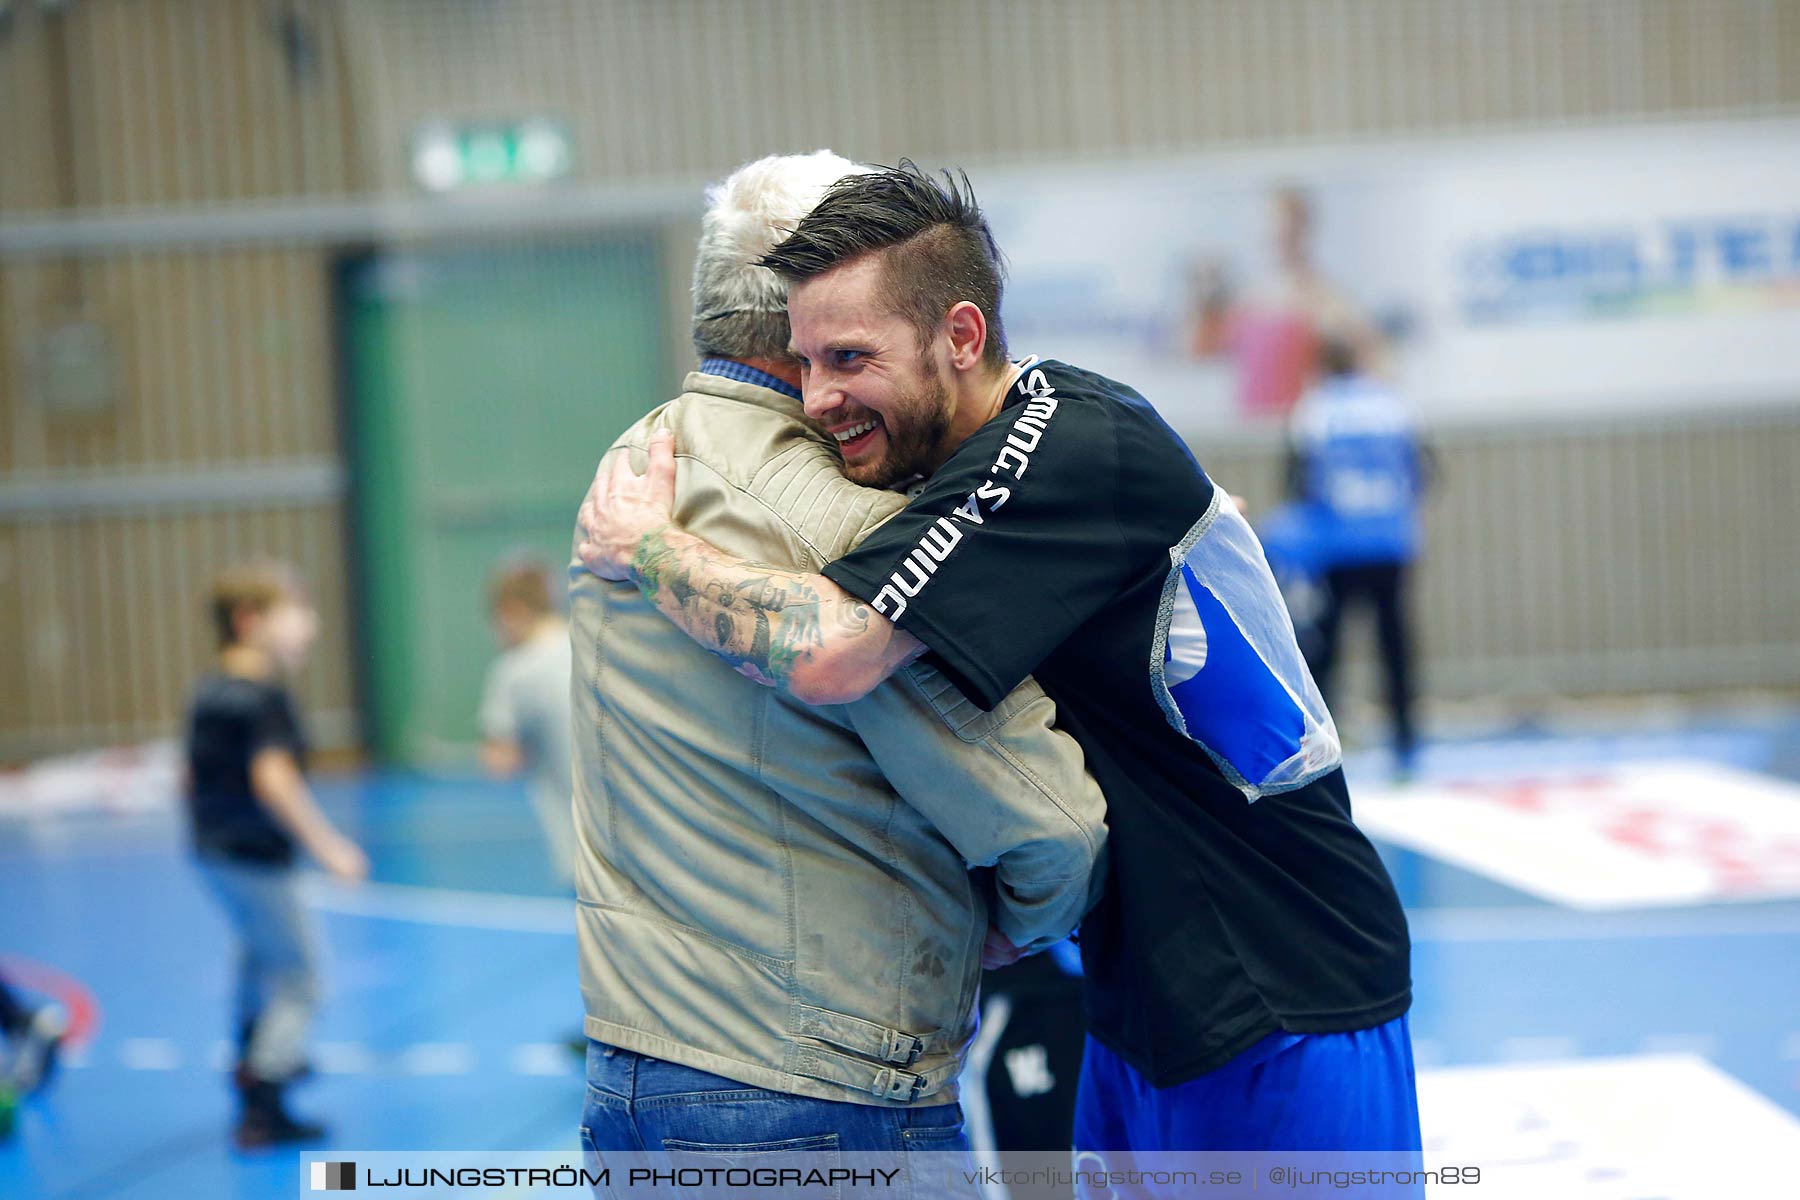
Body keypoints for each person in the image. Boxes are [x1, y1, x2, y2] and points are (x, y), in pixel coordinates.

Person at [577, 164, 1418, 1156]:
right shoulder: (995, 467)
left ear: (962, 338)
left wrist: (643, 545)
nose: (818, 399)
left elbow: (831, 652)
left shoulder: (1055, 446)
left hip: (1282, 986)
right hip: (1147, 995)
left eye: (849, 357)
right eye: (802, 364)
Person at [566, 151, 1106, 1156]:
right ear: (810, 318)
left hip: (637, 1079)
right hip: (816, 1094)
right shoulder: (841, 531)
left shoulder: (636, 463)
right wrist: (1011, 927)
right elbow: (1055, 825)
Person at [184, 562, 368, 1149]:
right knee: (300, 977)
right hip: (258, 859)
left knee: (258, 963)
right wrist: (328, 846)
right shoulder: (261, 698)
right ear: (249, 622)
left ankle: (251, 1060)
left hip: (214, 855)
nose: (310, 626)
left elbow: (189, 778)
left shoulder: (210, 691)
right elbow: (274, 779)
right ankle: (265, 1088)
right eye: (296, 612)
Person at [1286, 337, 1431, 774]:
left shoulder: (1315, 411)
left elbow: (1298, 481)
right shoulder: (1393, 406)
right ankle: (1406, 740)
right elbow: (1425, 472)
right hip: (1390, 541)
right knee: (1395, 641)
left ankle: (1319, 744)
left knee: (1326, 646)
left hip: (1335, 545)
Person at [1188, 185, 1382, 420]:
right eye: (1271, 229)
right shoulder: (1247, 299)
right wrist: (1201, 298)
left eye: (1285, 230)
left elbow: (1372, 360)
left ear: (1302, 231)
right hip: (1251, 429)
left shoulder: (1325, 298)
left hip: (1297, 429)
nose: (1277, 237)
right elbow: (1198, 350)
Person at [479, 555, 576, 886]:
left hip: (579, 835)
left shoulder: (514, 671)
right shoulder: (590, 643)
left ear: (511, 611)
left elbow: (500, 763)